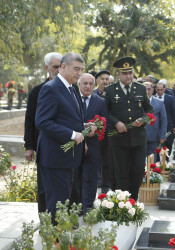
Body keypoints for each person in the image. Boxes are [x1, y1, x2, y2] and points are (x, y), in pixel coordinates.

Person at [35, 52, 95, 224]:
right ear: (63, 66)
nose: (79, 73)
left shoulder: (72, 88)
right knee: (57, 203)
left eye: (81, 69)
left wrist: (82, 128)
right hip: (54, 157)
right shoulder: (51, 88)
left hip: (68, 157)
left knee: (64, 202)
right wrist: (71, 134)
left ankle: (58, 237)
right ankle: (54, 240)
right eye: (76, 69)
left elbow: (67, 118)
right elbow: (42, 122)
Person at [104, 57, 153, 200]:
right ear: (118, 74)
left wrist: (143, 120)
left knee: (138, 171)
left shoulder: (141, 88)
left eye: (130, 73)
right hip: (119, 140)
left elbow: (149, 110)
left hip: (138, 139)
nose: (128, 76)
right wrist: (116, 123)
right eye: (124, 73)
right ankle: (122, 203)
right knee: (121, 173)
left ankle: (133, 199)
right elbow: (105, 113)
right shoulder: (111, 90)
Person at [24, 52, 62, 213]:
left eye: (62, 66)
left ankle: (64, 220)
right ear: (46, 68)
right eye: (55, 67)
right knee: (44, 186)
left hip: (67, 145)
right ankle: (45, 221)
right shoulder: (37, 91)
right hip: (44, 146)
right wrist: (29, 146)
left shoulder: (72, 89)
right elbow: (30, 120)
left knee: (67, 185)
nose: (59, 70)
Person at [77, 73, 109, 213]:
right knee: (76, 178)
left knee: (91, 178)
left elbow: (106, 124)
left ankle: (88, 208)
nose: (88, 86)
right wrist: (82, 128)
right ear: (79, 84)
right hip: (75, 144)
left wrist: (96, 129)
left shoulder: (100, 101)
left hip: (93, 146)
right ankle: (77, 206)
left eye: (91, 84)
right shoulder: (73, 99)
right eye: (85, 83)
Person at [93, 70, 115, 193]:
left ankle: (106, 184)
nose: (105, 81)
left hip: (109, 132)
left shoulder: (112, 95)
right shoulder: (92, 93)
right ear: (97, 80)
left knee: (107, 159)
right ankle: (96, 180)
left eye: (107, 79)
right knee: (95, 158)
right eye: (103, 79)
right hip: (94, 132)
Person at [144, 82, 167, 161]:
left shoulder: (159, 103)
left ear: (153, 90)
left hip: (153, 136)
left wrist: (162, 135)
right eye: (145, 89)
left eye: (149, 89)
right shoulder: (136, 103)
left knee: (152, 160)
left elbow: (163, 120)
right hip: (139, 137)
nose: (147, 91)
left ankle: (152, 173)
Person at [155, 82, 175, 158]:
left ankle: (166, 159)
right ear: (156, 90)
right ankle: (157, 161)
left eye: (161, 90)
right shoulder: (153, 98)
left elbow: (173, 112)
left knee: (169, 143)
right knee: (157, 144)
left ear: (164, 89)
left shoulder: (170, 98)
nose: (160, 92)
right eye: (158, 90)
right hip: (156, 126)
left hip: (168, 125)